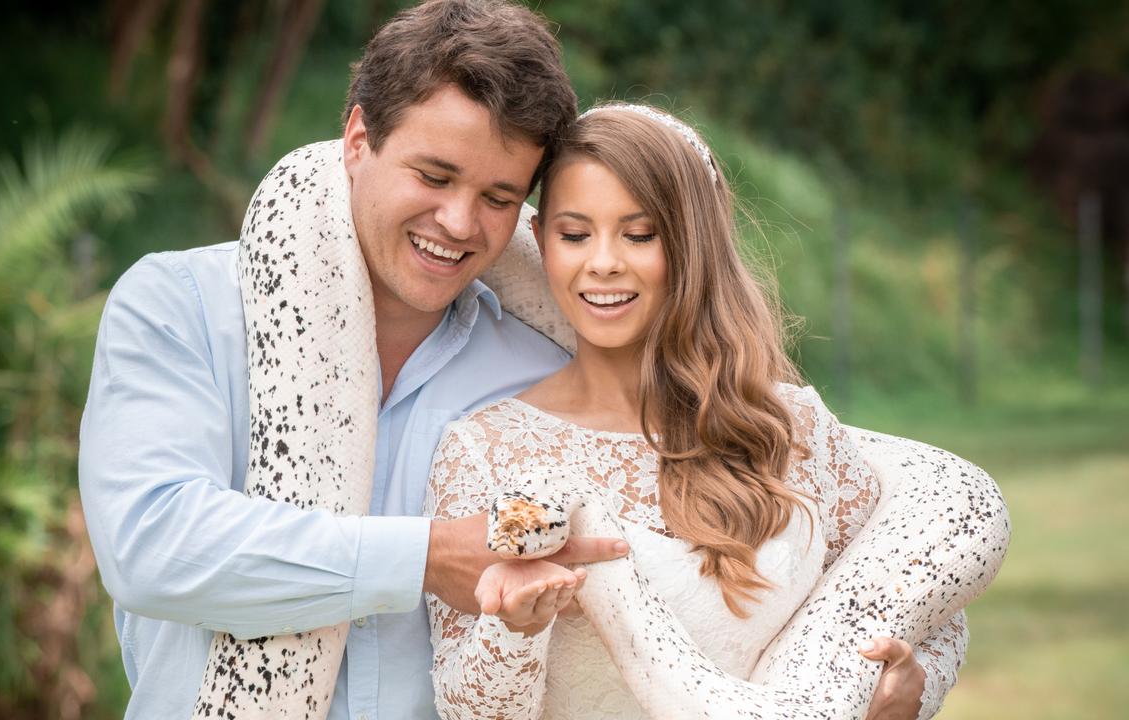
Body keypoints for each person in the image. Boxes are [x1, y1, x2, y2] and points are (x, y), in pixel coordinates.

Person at [79, 1, 954, 719]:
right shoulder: (181, 308)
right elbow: (153, 546)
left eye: (498, 196)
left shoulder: (537, 362)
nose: (459, 223)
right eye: (433, 174)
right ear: (355, 139)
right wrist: (424, 556)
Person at [425, 105, 984, 719]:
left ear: (694, 245)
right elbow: (464, 707)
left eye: (640, 235)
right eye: (575, 234)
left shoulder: (790, 426)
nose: (603, 262)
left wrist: (914, 687)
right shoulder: (488, 450)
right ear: (542, 242)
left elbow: (933, 610)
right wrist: (515, 629)